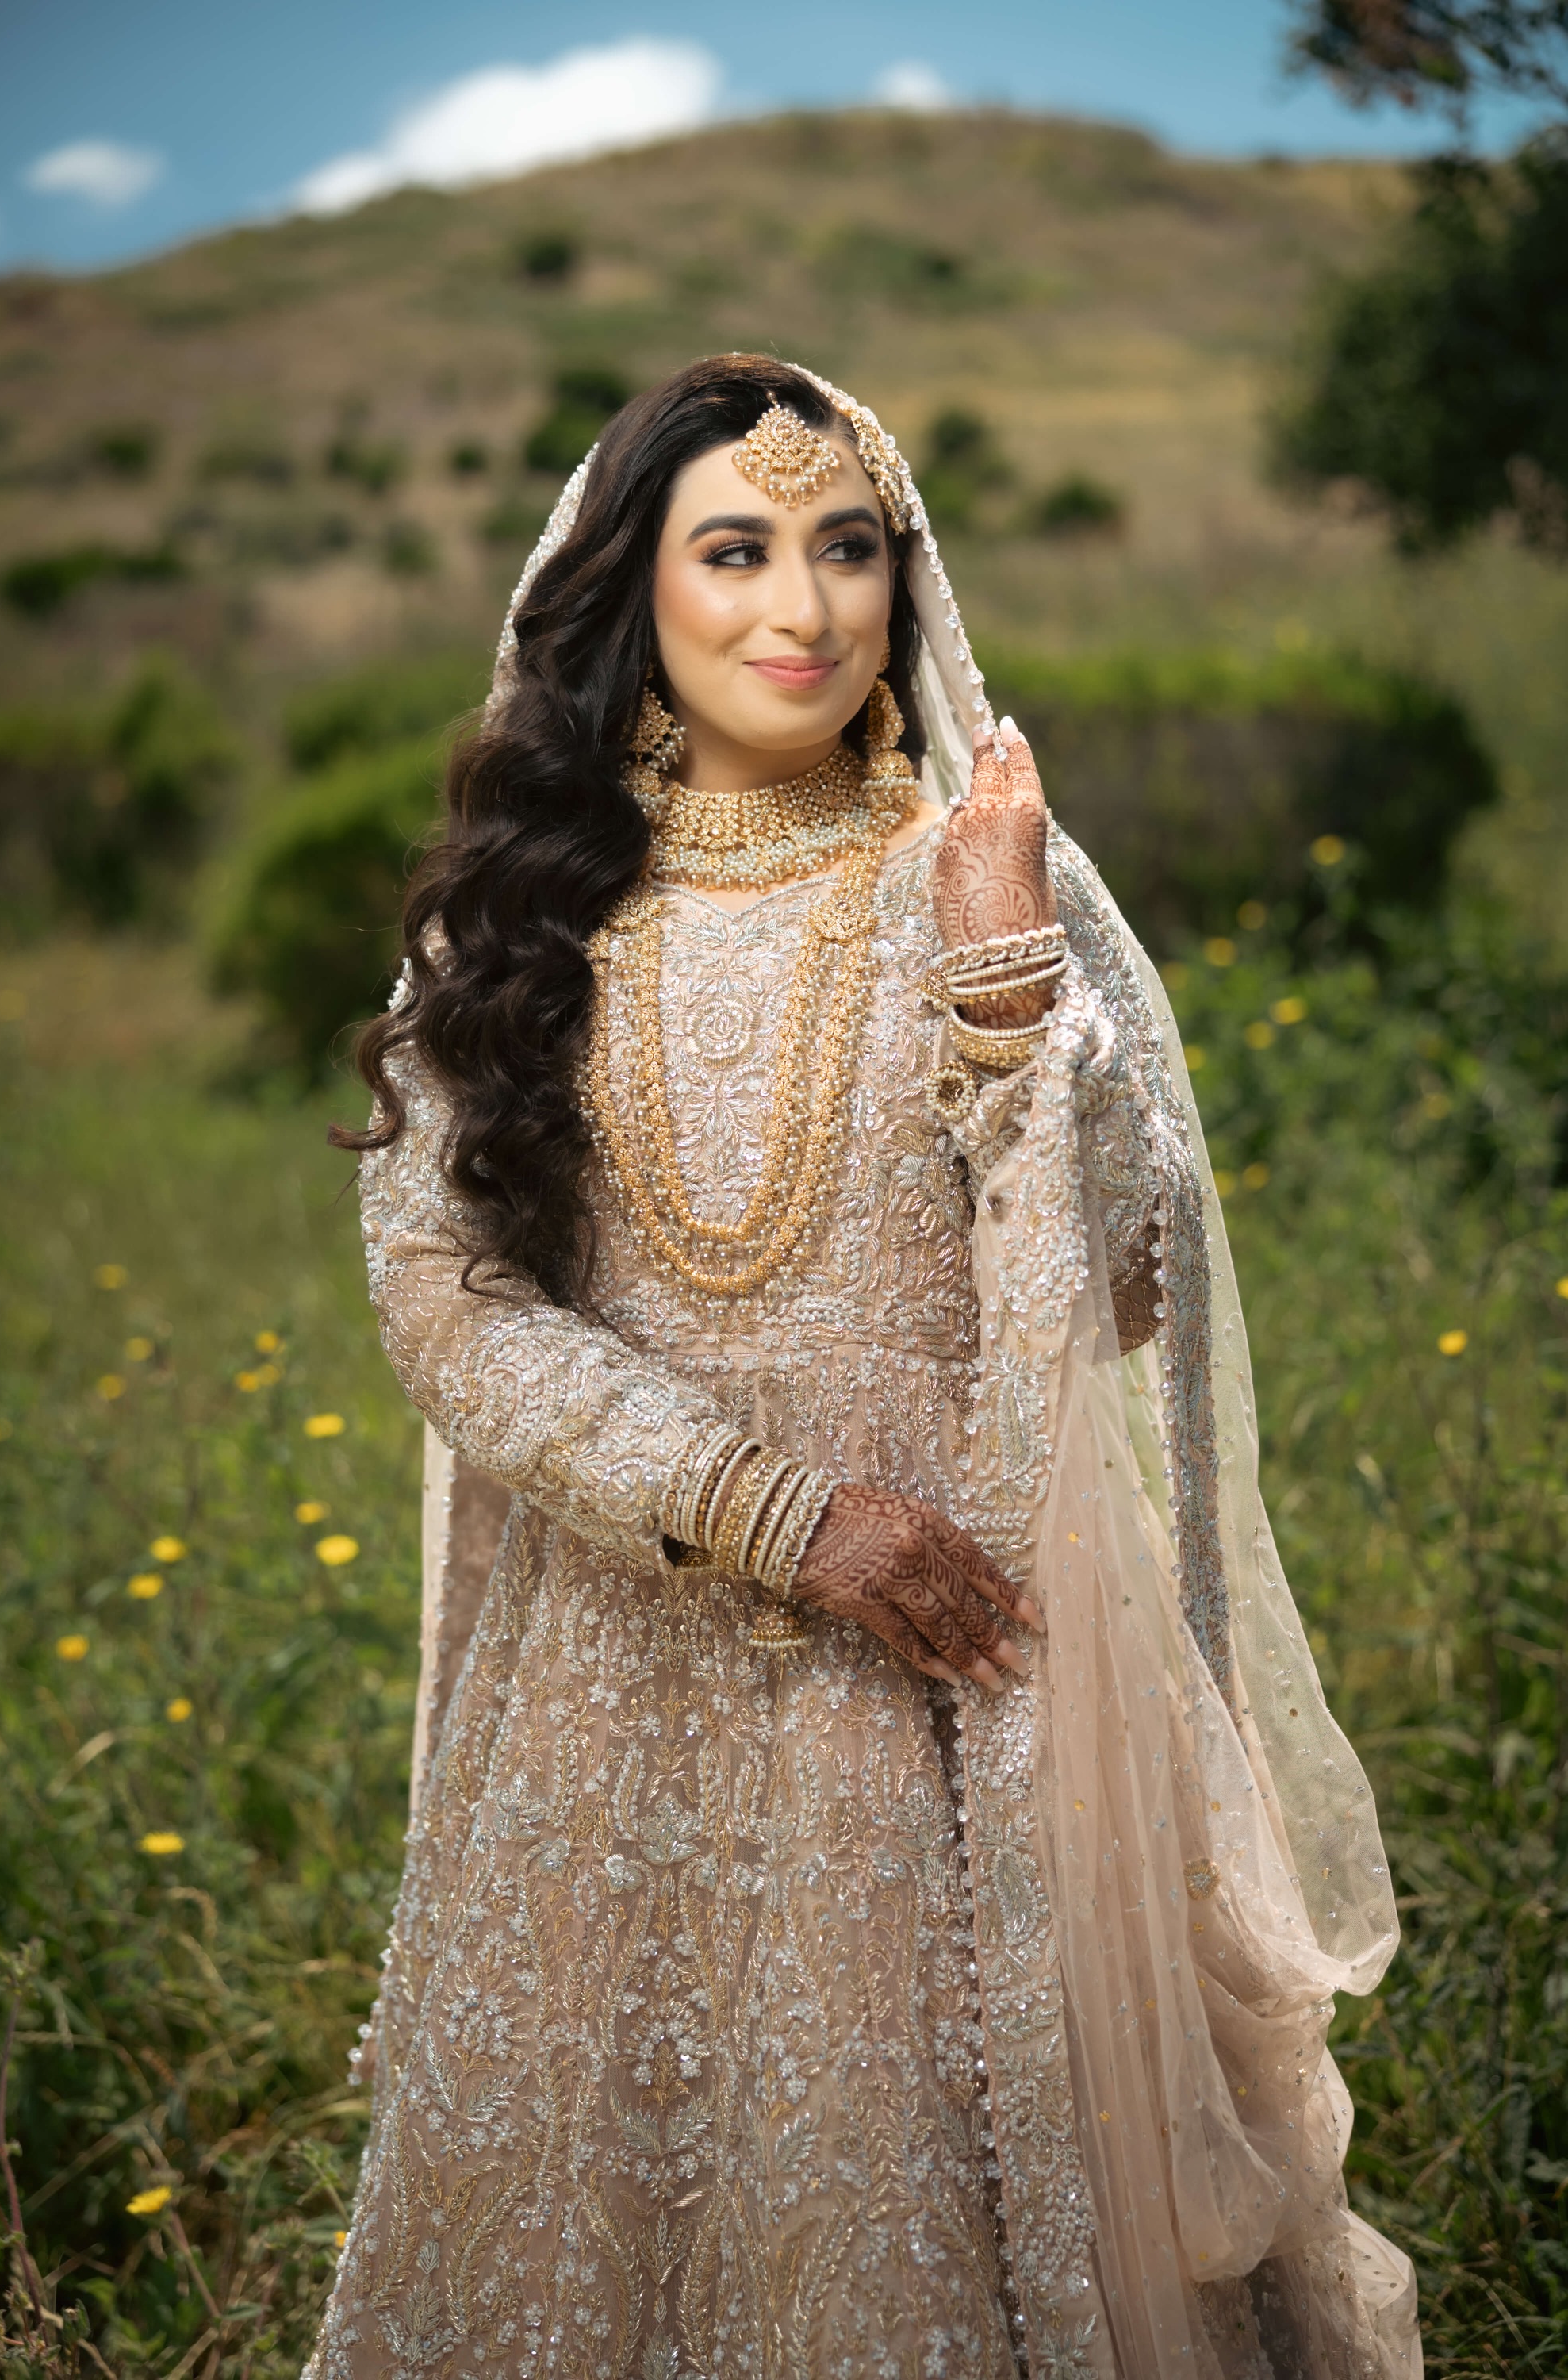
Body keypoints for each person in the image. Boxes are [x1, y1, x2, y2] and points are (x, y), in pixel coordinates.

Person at [307, 355, 1420, 2379]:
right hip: (606, 1707)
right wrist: (770, 1512)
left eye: (850, 549)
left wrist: (1004, 983)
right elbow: (443, 1303)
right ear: (627, 595)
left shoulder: (983, 877)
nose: (802, 610)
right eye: (734, 551)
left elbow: (1131, 1295)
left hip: (952, 1697)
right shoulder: (524, 925)